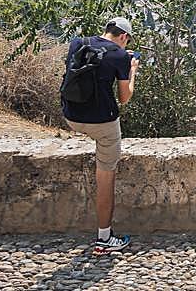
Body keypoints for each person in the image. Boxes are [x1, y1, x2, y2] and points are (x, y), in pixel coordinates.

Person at [62, 17, 139, 253]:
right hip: (102, 123)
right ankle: (104, 238)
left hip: (72, 116)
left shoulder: (78, 43)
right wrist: (132, 69)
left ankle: (105, 238)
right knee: (106, 177)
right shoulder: (121, 56)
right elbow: (125, 98)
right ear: (124, 37)